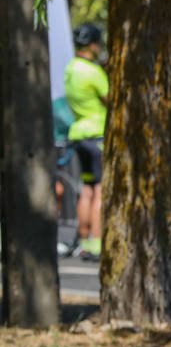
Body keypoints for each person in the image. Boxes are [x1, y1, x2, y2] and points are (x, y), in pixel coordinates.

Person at [64, 23, 108, 261]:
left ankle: (83, 239)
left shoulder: (71, 68)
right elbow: (111, 99)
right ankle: (97, 242)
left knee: (87, 190)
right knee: (102, 189)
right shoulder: (93, 72)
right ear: (93, 45)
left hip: (79, 133)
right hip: (97, 133)